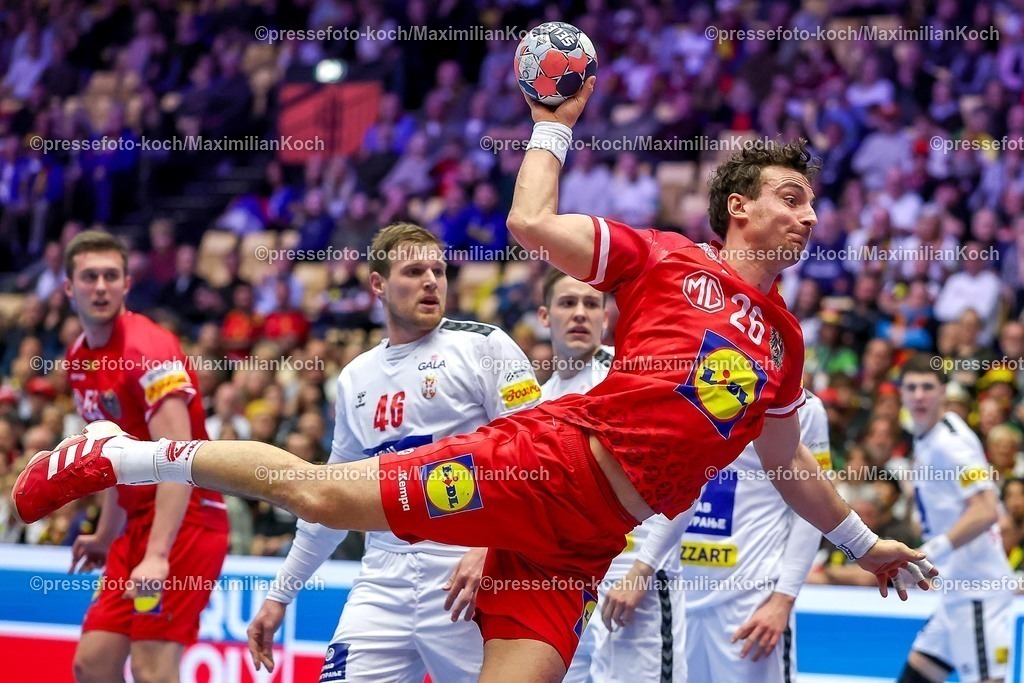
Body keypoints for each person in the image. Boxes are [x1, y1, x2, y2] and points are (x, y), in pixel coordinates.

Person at [15, 78, 935, 683]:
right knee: (320, 495)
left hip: (586, 540)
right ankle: (123, 450)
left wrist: (865, 544)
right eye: (791, 196)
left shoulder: (786, 340)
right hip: (545, 464)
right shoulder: (663, 257)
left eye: (812, 202)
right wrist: (552, 124)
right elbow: (530, 222)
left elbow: (788, 465)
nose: (809, 214)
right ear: (740, 208)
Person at [245, 222, 542, 681]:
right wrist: (280, 594)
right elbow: (331, 499)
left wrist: (495, 547)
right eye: (414, 271)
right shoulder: (356, 378)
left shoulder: (483, 345)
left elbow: (538, 456)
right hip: (383, 577)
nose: (431, 281)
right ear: (378, 285)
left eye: (438, 271)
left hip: (467, 572)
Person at [59, 230, 229, 683]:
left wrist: (157, 555)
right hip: (135, 525)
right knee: (92, 664)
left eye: (111, 276)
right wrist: (104, 534)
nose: (100, 286)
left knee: (153, 666)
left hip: (186, 519)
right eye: (89, 276)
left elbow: (177, 459)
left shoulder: (147, 350)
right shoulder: (78, 361)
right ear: (68, 288)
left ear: (126, 285)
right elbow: (119, 460)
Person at [539, 267, 688, 683]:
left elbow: (688, 481)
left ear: (606, 317)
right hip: (571, 589)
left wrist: (643, 569)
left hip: (634, 581)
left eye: (592, 304)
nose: (581, 314)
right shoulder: (542, 399)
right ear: (545, 316)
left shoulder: (631, 379)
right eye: (568, 303)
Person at [684, 391, 828, 682]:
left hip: (750, 601)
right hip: (679, 593)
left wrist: (783, 599)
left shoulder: (805, 407)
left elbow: (813, 509)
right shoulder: (686, 390)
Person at [897, 354, 1013, 683]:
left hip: (977, 590)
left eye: (927, 387)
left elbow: (987, 510)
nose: (919, 395)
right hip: (956, 588)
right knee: (919, 671)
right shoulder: (929, 438)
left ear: (944, 392)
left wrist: (927, 553)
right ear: (902, 394)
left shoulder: (951, 443)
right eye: (911, 387)